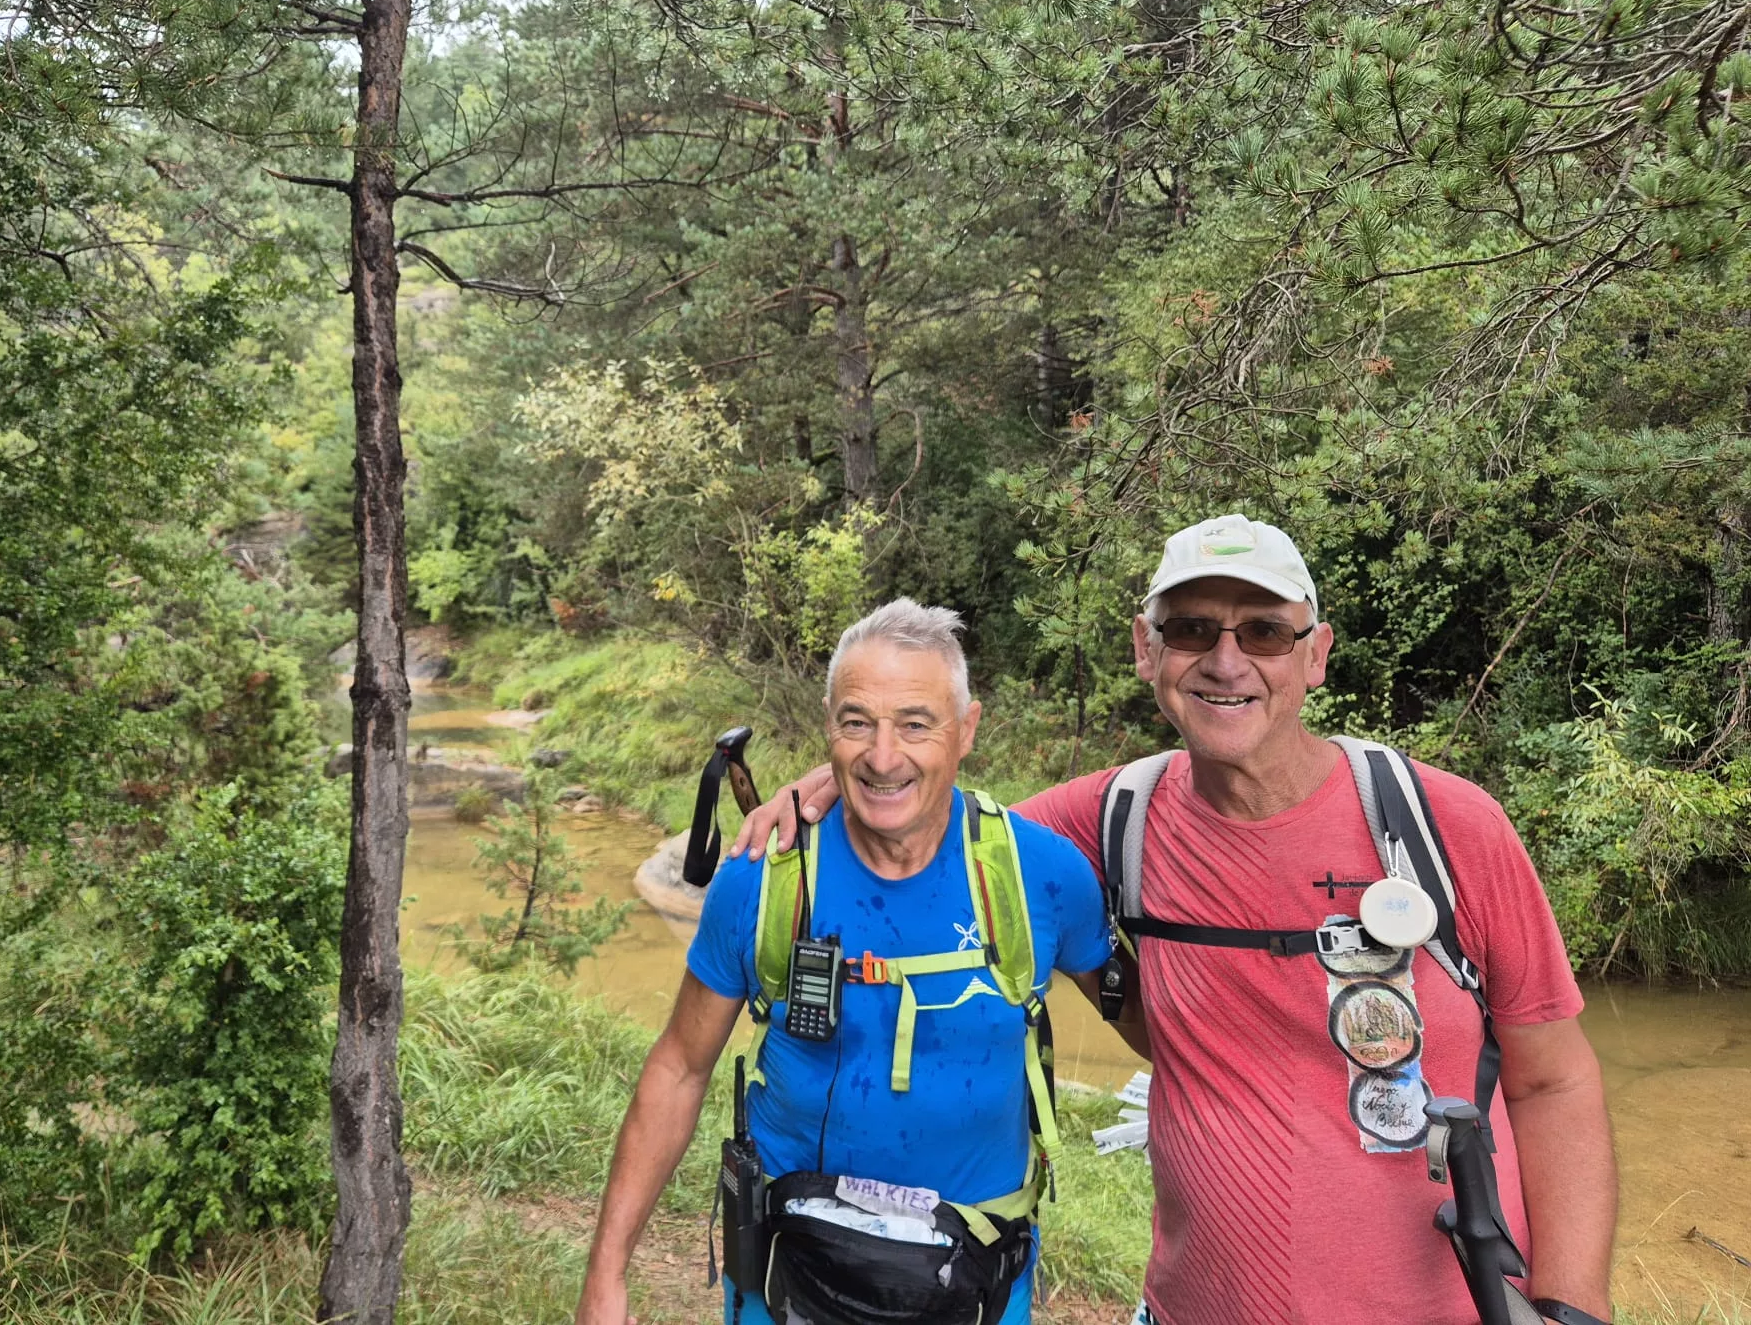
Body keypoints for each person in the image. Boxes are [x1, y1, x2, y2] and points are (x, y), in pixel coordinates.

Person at [731, 515, 1617, 1325]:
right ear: (1147, 652)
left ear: (1316, 655)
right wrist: (841, 791)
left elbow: (1555, 1083)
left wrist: (1569, 1308)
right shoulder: (1106, 821)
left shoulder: (1443, 827)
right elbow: (935, 822)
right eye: (1192, 630)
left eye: (1264, 631)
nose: (1226, 662)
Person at [575, 599, 1114, 1325]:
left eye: (916, 724)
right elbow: (679, 1065)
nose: (883, 756)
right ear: (828, 728)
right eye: (856, 722)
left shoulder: (1038, 876)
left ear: (967, 731)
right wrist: (606, 1276)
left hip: (976, 1285)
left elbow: (1155, 1029)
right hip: (787, 1280)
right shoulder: (763, 879)